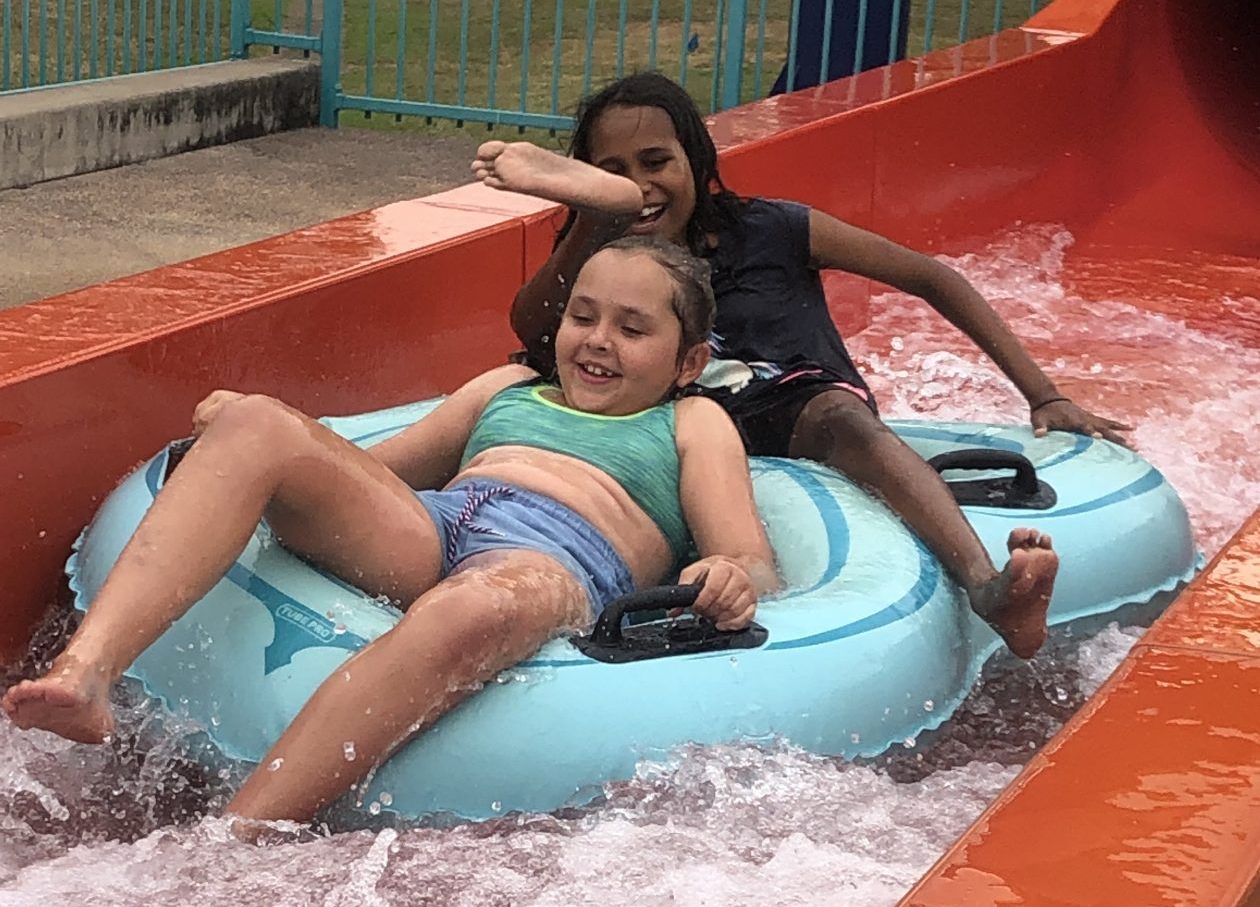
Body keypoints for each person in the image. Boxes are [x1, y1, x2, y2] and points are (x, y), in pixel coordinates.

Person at [1, 239, 778, 829]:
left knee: (469, 608)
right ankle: (87, 671)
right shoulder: (508, 388)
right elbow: (372, 470)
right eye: (583, 315)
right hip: (439, 526)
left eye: (632, 328)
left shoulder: (690, 421)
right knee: (259, 423)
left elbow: (747, 555)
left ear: (689, 361)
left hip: (556, 559)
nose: (598, 339)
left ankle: (243, 831)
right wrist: (250, 436)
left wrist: (731, 575)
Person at [473, 71, 1131, 660]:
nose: (640, 187)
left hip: (795, 409)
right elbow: (534, 329)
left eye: (656, 163)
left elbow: (931, 278)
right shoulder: (604, 256)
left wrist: (1042, 394)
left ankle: (988, 589)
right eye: (613, 171)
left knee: (843, 419)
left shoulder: (774, 229)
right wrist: (594, 220)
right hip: (676, 431)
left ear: (696, 162)